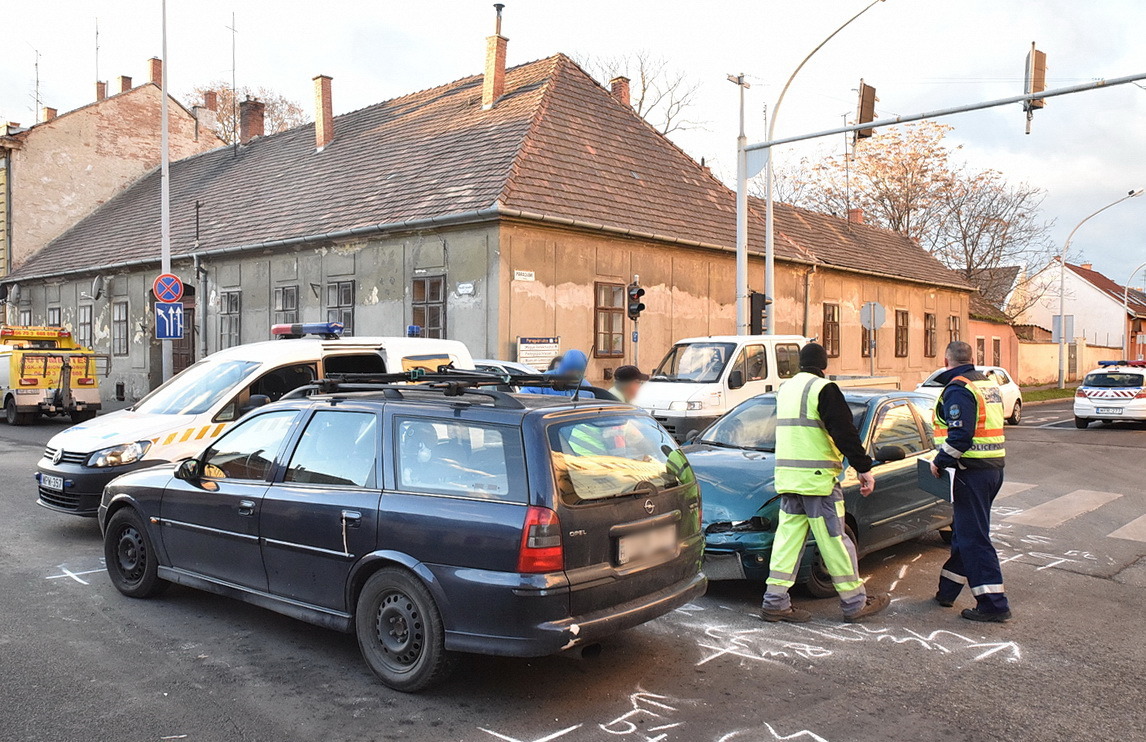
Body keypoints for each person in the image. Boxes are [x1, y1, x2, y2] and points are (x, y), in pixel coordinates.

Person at [761, 342, 890, 623]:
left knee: (787, 541)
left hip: (789, 479)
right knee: (834, 541)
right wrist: (864, 468)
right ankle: (855, 602)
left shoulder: (786, 390)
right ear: (824, 366)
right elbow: (844, 432)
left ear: (799, 364)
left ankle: (774, 601)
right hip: (818, 483)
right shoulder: (823, 390)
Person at [930, 341, 1012, 622]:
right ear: (972, 358)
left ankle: (993, 604)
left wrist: (939, 462)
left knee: (973, 538)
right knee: (967, 533)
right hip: (992, 469)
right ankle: (947, 590)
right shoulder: (986, 383)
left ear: (946, 359)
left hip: (972, 472)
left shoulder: (958, 388)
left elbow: (960, 437)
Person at [521, 349, 589, 397]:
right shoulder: (544, 381)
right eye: (570, 370)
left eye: (578, 371)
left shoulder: (587, 388)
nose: (574, 374)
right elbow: (523, 399)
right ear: (564, 367)